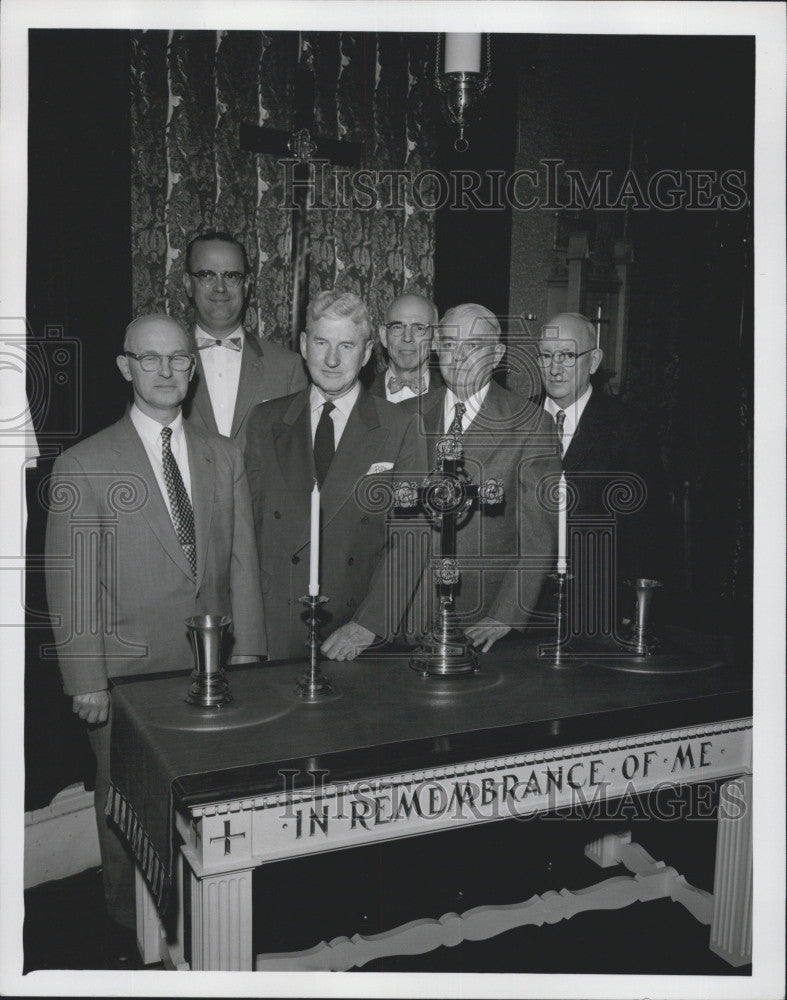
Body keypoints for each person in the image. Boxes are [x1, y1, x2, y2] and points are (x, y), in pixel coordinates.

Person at [44, 314, 266, 940]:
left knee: (212, 809)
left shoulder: (223, 455)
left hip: (213, 675)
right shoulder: (85, 464)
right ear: (126, 367)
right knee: (127, 809)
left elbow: (242, 563)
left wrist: (248, 655)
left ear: (192, 369)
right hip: (126, 679)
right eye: (151, 359)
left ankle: (205, 928)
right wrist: (85, 679)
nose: (167, 371)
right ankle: (129, 932)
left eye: (179, 359)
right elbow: (73, 585)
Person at [244, 290, 421, 662]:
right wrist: (246, 634)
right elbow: (245, 533)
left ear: (368, 352)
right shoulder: (265, 421)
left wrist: (369, 625)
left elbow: (412, 538)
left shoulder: (400, 426)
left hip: (354, 630)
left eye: (346, 345)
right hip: (275, 627)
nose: (331, 359)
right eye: (322, 342)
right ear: (305, 345)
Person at [410, 303, 559, 651]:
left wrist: (506, 614)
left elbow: (539, 535)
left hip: (480, 615)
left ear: (497, 354)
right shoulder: (405, 416)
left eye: (473, 346)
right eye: (448, 344)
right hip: (406, 610)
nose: (458, 356)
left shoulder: (532, 424)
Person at [536, 311, 671, 628]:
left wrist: (634, 610)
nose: (554, 368)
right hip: (522, 608)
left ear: (594, 361)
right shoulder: (516, 419)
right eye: (545, 355)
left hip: (598, 606)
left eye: (567, 355)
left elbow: (646, 526)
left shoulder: (628, 427)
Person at [181, 231, 307, 447]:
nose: (220, 288)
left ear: (246, 284)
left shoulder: (288, 368)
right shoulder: (161, 364)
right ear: (188, 283)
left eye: (231, 276)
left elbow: (297, 455)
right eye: (207, 275)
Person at [367, 292, 444, 402]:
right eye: (397, 327)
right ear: (384, 336)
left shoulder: (452, 395)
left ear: (434, 339)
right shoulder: (359, 396)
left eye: (419, 328)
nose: (407, 338)